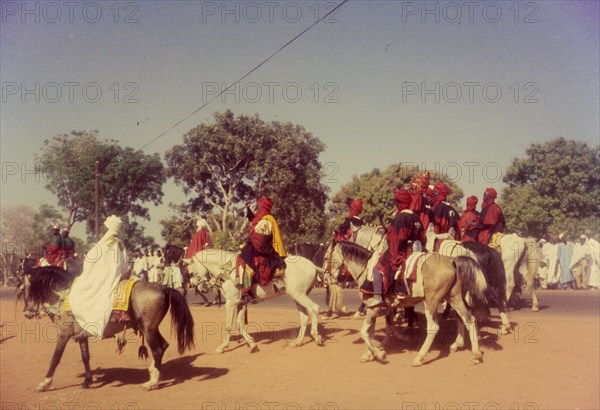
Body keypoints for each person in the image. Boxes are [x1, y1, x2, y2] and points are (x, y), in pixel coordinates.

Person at [69, 215, 128, 340]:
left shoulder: (106, 242)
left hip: (107, 273)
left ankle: (90, 325)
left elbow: (90, 259)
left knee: (81, 290)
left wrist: (88, 269)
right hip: (118, 271)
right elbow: (124, 260)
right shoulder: (119, 242)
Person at [368, 187, 425, 308]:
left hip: (403, 250)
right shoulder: (416, 216)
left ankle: (378, 296)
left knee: (377, 268)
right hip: (417, 249)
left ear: (400, 203)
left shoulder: (401, 217)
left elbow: (398, 238)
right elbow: (422, 236)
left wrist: (394, 253)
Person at [239, 197, 287, 293]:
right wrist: (248, 208)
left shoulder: (267, 220)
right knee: (245, 252)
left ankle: (249, 288)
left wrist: (251, 237)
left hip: (265, 246)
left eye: (259, 206)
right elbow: (252, 218)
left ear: (263, 207)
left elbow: (261, 239)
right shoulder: (260, 217)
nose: (257, 208)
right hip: (257, 244)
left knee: (247, 259)